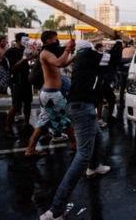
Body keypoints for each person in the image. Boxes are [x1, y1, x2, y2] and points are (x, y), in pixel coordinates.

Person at [39, 40, 111, 220]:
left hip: (81, 107)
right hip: (82, 109)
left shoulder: (80, 61)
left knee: (98, 136)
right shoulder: (87, 57)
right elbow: (112, 58)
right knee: (82, 155)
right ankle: (56, 210)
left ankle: (94, 167)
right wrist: (117, 43)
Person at [25, 31, 76, 156]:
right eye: (55, 39)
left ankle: (30, 149)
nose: (57, 41)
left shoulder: (48, 53)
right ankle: (75, 145)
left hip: (49, 94)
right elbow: (59, 63)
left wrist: (75, 55)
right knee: (67, 119)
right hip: (52, 95)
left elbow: (62, 63)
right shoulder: (46, 53)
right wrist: (68, 50)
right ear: (48, 41)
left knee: (43, 122)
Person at [4, 33, 34, 138]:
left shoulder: (24, 50)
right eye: (25, 40)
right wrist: (25, 58)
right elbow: (13, 68)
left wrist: (33, 56)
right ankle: (7, 127)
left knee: (28, 103)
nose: (27, 42)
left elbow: (28, 64)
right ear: (18, 40)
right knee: (16, 105)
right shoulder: (10, 52)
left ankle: (26, 124)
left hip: (26, 81)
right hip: (17, 81)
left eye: (28, 40)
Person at [96, 40, 122, 127]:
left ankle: (103, 118)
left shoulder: (103, 55)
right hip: (102, 81)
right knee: (101, 100)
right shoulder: (106, 56)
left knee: (107, 99)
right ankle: (99, 119)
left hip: (100, 81)